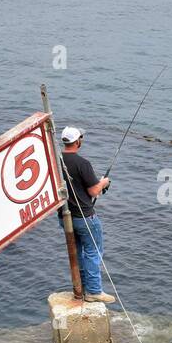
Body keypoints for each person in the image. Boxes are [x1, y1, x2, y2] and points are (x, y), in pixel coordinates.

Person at [58, 125, 115, 303]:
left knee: (78, 251)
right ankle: (94, 291)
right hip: (85, 217)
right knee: (93, 252)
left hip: (65, 217)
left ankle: (80, 288)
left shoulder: (56, 161)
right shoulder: (82, 163)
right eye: (81, 137)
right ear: (77, 141)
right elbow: (93, 191)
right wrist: (104, 182)